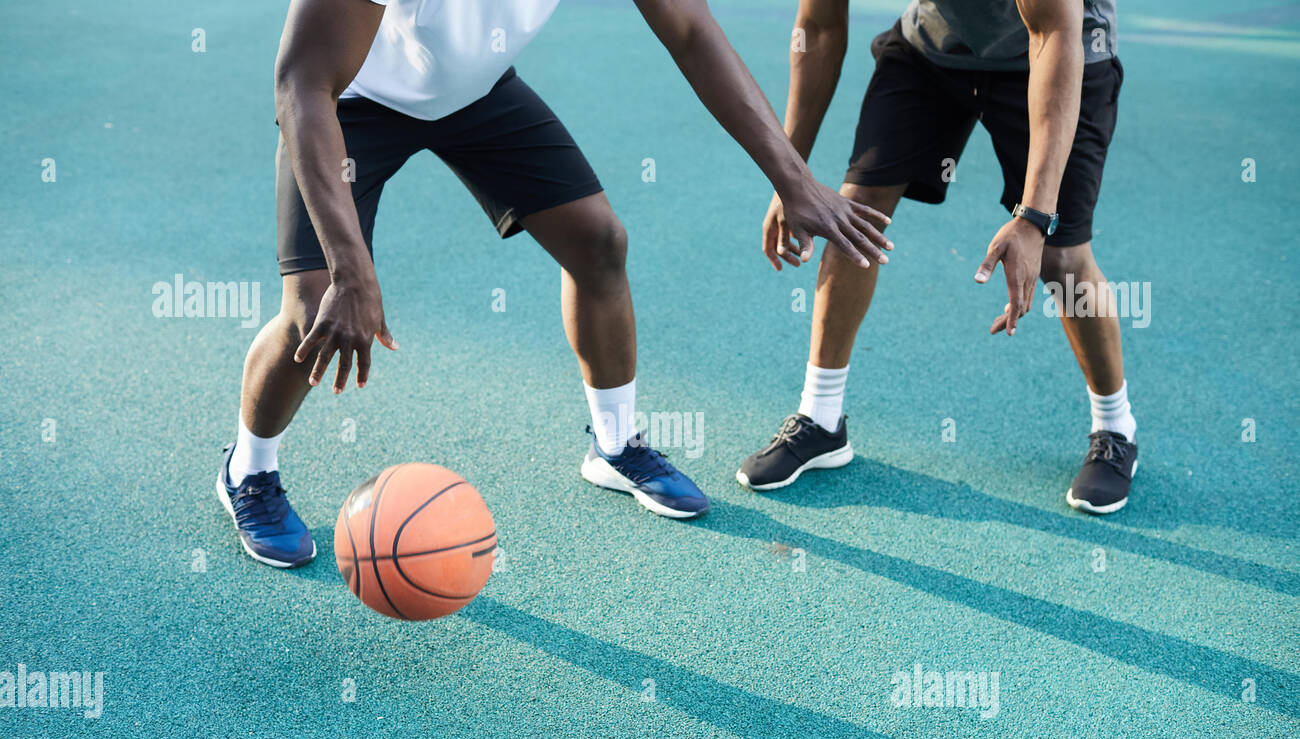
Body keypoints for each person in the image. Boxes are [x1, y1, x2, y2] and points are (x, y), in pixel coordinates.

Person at [219, 0, 893, 567]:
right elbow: (300, 87)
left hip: (471, 94)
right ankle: (248, 471)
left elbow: (689, 28)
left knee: (598, 242)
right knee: (311, 311)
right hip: (349, 104)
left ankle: (615, 445)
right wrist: (350, 266)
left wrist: (793, 179)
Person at [737, 0, 1137, 515]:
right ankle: (821, 418)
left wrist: (1035, 217)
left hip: (1060, 51)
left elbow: (1054, 34)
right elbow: (817, 25)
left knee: (1062, 258)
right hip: (934, 49)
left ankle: (1115, 426)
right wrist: (789, 177)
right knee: (852, 216)